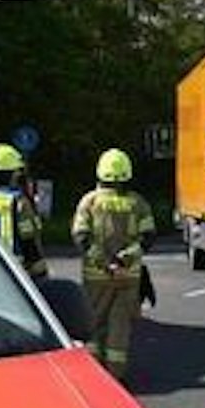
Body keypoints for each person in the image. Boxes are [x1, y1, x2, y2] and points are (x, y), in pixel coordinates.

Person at [72, 149, 156, 379]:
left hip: (96, 277)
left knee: (94, 324)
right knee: (120, 326)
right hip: (128, 277)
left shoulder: (89, 201)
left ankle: (94, 375)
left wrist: (104, 262)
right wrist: (125, 258)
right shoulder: (138, 203)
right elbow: (148, 237)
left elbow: (81, 237)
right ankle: (116, 374)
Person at [0, 145, 48, 279]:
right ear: (15, 175)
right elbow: (30, 245)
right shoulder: (18, 203)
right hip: (11, 276)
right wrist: (41, 274)